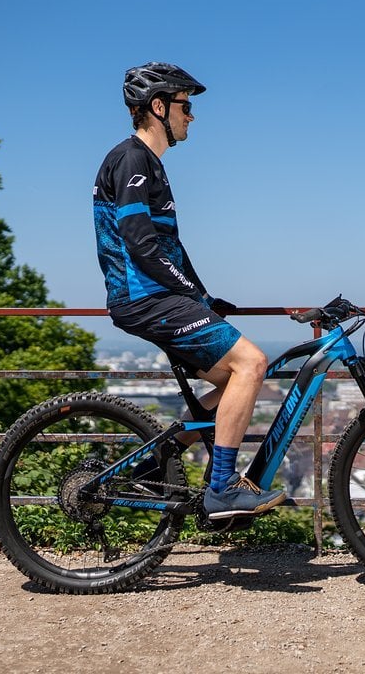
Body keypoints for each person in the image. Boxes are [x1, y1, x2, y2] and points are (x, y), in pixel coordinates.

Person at [92, 62, 285, 519]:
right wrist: (189, 295)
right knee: (253, 363)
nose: (191, 116)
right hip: (146, 298)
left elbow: (169, 247)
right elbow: (141, 246)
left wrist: (203, 296)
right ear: (157, 107)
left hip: (157, 296)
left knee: (232, 381)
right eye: (185, 105)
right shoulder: (132, 158)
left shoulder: (148, 164)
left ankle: (154, 461)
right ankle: (222, 489)